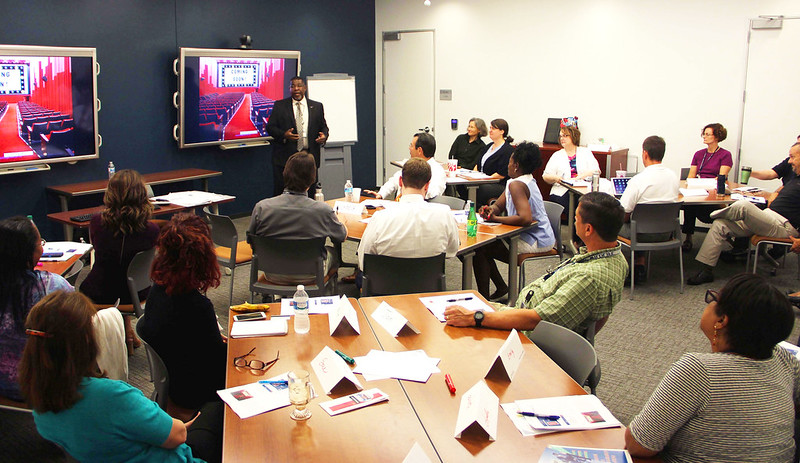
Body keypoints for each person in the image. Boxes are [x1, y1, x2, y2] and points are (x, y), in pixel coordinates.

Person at [20, 290, 221, 463]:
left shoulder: (38, 399)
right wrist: (175, 427)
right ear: (86, 343)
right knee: (219, 407)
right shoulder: (111, 396)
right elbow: (178, 436)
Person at [626, 273, 799, 463]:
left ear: (722, 320)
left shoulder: (698, 371)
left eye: (714, 299)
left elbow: (639, 444)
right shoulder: (784, 358)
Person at [444, 192, 627, 336]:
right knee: (459, 306)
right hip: (519, 314)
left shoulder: (587, 279)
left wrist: (476, 317)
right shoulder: (616, 257)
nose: (573, 220)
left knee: (451, 326)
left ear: (588, 229)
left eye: (576, 218)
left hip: (525, 331)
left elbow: (535, 320)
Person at [138, 214, 226, 411]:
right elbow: (218, 366)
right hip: (197, 393)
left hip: (175, 382)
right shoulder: (197, 306)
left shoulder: (158, 291)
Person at [688, 142, 800, 284]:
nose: (789, 161)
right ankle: (706, 271)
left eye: (792, 157)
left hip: (784, 226)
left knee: (743, 206)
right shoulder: (794, 178)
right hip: (768, 218)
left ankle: (713, 213)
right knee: (720, 224)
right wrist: (770, 193)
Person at [0, 216, 73, 402]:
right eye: (40, 242)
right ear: (31, 252)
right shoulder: (53, 287)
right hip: (44, 384)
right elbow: (79, 332)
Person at [473, 142, 555, 300]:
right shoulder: (516, 180)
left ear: (516, 165)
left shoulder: (518, 185)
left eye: (509, 161)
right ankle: (499, 288)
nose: (507, 165)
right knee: (482, 246)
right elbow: (498, 204)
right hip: (531, 235)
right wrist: (491, 209)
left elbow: (525, 218)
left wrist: (496, 218)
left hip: (536, 240)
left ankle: (484, 298)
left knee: (480, 248)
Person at [248, 151, 347, 281]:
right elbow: (341, 237)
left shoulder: (261, 207)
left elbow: (251, 240)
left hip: (272, 274)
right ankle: (324, 293)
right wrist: (342, 221)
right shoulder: (323, 211)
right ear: (312, 178)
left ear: (285, 174)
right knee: (333, 254)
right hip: (312, 274)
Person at [358, 157, 459, 270]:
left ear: (400, 182)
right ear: (427, 185)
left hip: (387, 285)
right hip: (429, 285)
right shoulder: (444, 214)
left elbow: (363, 262)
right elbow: (451, 251)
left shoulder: (380, 218)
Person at [80, 169, 159, 306]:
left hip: (100, 292)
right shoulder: (152, 230)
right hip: (136, 293)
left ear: (110, 193)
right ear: (142, 194)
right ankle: (126, 325)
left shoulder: (97, 222)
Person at [618, 136, 680, 284]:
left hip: (640, 233)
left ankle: (615, 269)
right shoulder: (673, 177)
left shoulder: (638, 180)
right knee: (641, 222)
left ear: (644, 153)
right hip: (666, 233)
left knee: (610, 223)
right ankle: (640, 266)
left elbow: (624, 214)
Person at [266, 76, 329, 197]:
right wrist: (284, 134)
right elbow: (270, 128)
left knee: (309, 194)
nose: (296, 88)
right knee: (282, 193)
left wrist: (324, 136)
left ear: (305, 88)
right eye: (292, 86)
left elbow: (323, 127)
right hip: (285, 158)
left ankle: (308, 215)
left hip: (309, 157)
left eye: (299, 85)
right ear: (289, 89)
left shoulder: (317, 106)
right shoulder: (280, 106)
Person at [681, 123, 733, 252]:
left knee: (694, 207)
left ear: (717, 137)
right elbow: (691, 176)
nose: (704, 136)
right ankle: (688, 237)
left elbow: (721, 177)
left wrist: (705, 183)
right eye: (704, 134)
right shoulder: (699, 154)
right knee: (689, 205)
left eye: (708, 134)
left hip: (713, 191)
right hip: (699, 190)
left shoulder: (725, 155)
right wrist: (694, 183)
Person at [365, 132, 446, 200]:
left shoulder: (437, 171)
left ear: (419, 150)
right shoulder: (410, 164)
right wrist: (380, 194)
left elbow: (433, 194)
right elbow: (394, 181)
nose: (409, 148)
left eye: (411, 146)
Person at [542, 125, 600, 214]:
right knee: (574, 205)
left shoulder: (585, 152)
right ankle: (574, 226)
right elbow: (546, 176)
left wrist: (579, 177)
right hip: (562, 190)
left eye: (565, 136)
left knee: (588, 204)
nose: (562, 138)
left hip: (583, 189)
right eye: (561, 136)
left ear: (574, 136)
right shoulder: (557, 155)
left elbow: (596, 171)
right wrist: (555, 178)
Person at [475, 118, 515, 207]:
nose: (490, 131)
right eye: (490, 128)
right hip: (482, 180)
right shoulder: (488, 146)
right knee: (464, 186)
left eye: (493, 128)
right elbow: (478, 164)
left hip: (498, 184)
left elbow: (501, 174)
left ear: (501, 131)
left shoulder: (508, 150)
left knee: (480, 189)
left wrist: (483, 180)